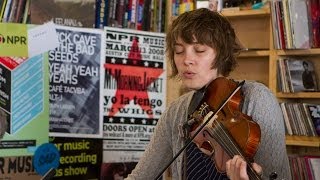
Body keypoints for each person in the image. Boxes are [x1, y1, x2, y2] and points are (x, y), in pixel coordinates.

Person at [126, 8, 291, 180]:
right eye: (179, 51)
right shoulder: (175, 112)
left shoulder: (257, 99)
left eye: (199, 50)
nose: (186, 60)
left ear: (222, 54)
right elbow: (140, 176)